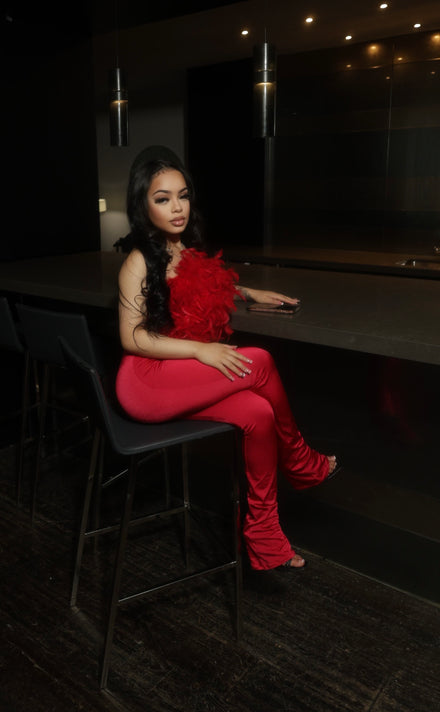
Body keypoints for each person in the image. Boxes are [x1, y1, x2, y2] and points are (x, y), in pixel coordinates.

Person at [115, 155, 339, 574]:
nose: (177, 207)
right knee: (260, 360)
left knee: (258, 413)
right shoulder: (139, 260)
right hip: (145, 383)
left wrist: (247, 291)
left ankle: (264, 536)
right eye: (163, 199)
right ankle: (300, 461)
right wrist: (200, 351)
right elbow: (131, 337)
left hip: (175, 381)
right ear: (142, 206)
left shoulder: (182, 248)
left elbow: (198, 285)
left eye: (182, 196)